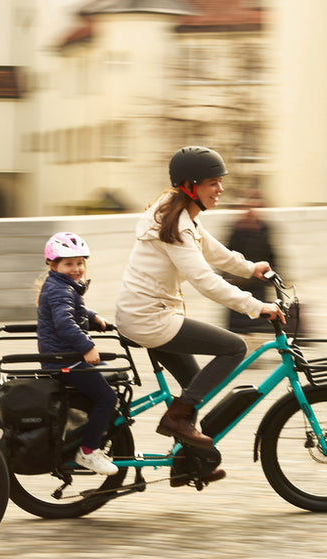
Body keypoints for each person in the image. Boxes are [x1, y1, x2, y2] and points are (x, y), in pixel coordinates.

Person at [114, 146, 285, 485]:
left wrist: (251, 268)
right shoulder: (174, 224)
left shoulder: (181, 213)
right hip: (150, 319)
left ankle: (185, 462)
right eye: (213, 183)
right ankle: (176, 421)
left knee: (194, 389)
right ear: (191, 185)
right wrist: (257, 306)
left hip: (148, 314)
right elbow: (205, 280)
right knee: (234, 348)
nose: (220, 189)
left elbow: (213, 251)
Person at [37, 232, 119, 476]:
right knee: (107, 398)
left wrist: (92, 316)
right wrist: (87, 347)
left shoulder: (60, 286)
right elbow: (64, 323)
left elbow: (71, 309)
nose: (76, 268)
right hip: (65, 359)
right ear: (54, 265)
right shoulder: (59, 289)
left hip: (64, 356)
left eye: (80, 262)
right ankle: (88, 451)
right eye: (69, 263)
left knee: (110, 378)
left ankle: (94, 433)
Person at [224, 192, 277, 335]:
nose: (251, 209)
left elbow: (272, 253)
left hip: (258, 283)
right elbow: (225, 254)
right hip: (239, 284)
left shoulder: (264, 227)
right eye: (248, 205)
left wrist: (275, 276)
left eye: (255, 205)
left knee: (256, 322)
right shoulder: (236, 228)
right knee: (238, 326)